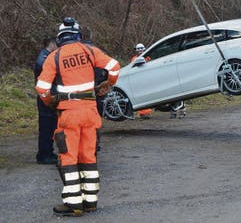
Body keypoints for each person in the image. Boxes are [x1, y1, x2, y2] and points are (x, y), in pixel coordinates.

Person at [35, 17, 120, 217]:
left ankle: (74, 204)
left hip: (69, 114)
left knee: (68, 157)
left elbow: (42, 88)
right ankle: (90, 202)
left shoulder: (54, 57)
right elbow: (114, 66)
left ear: (60, 38)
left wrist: (50, 102)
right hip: (90, 112)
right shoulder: (90, 51)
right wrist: (108, 84)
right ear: (78, 35)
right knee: (88, 155)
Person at [33, 37, 58, 165]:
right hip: (45, 96)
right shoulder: (43, 59)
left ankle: (48, 152)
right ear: (52, 44)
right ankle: (44, 155)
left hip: (47, 95)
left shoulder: (45, 57)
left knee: (50, 126)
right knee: (46, 127)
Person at [130, 43, 153, 119]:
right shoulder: (134, 59)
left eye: (141, 49)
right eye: (138, 49)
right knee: (140, 96)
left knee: (147, 96)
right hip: (138, 79)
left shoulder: (148, 58)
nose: (140, 51)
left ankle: (147, 113)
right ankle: (141, 113)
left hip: (147, 79)